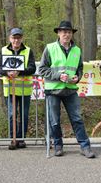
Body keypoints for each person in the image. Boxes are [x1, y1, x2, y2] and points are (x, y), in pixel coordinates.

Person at [38, 20, 95, 158]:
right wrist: (58, 76)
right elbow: (42, 69)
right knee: (55, 120)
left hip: (70, 90)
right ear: (58, 33)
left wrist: (78, 77)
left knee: (77, 119)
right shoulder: (50, 48)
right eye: (63, 32)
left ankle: (85, 146)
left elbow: (80, 68)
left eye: (69, 32)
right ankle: (58, 145)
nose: (66, 34)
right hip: (53, 91)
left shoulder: (77, 50)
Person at [0, 28, 36, 150]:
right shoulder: (3, 50)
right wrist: (7, 73)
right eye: (14, 38)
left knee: (23, 115)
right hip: (10, 90)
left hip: (25, 90)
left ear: (22, 38)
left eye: (18, 38)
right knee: (12, 115)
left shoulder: (28, 51)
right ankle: (13, 139)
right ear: (10, 38)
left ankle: (21, 139)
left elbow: (32, 68)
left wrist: (20, 71)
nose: (16, 40)